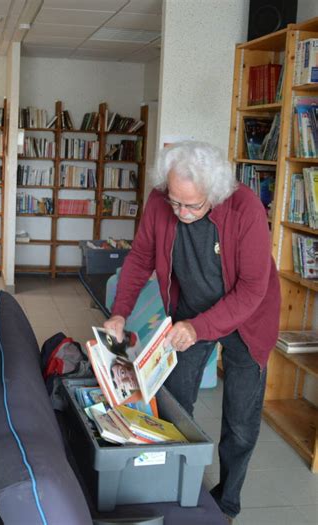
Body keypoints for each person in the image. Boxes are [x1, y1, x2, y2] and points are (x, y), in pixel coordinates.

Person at [104, 141, 280, 523]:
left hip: (247, 318)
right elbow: (139, 259)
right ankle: (173, 481)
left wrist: (200, 328)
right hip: (190, 311)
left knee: (239, 418)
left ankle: (228, 501)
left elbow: (252, 289)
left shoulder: (245, 207)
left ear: (214, 195)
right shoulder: (159, 200)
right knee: (174, 400)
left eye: (193, 206)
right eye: (175, 203)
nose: (182, 213)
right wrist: (119, 313)